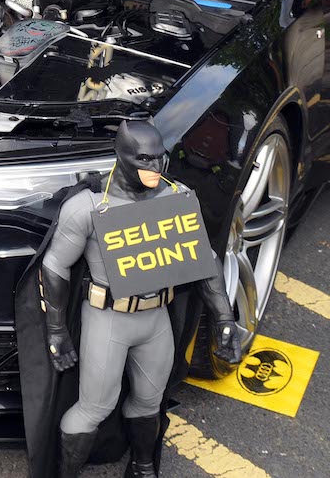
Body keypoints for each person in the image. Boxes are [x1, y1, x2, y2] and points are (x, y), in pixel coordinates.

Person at [19, 119, 242, 478]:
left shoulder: (177, 197)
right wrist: (57, 330)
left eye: (159, 158)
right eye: (144, 160)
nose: (154, 168)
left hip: (156, 318)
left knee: (150, 400)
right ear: (121, 158)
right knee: (95, 406)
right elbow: (56, 266)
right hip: (108, 318)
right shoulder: (89, 206)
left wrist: (223, 318)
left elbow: (205, 260)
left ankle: (142, 467)